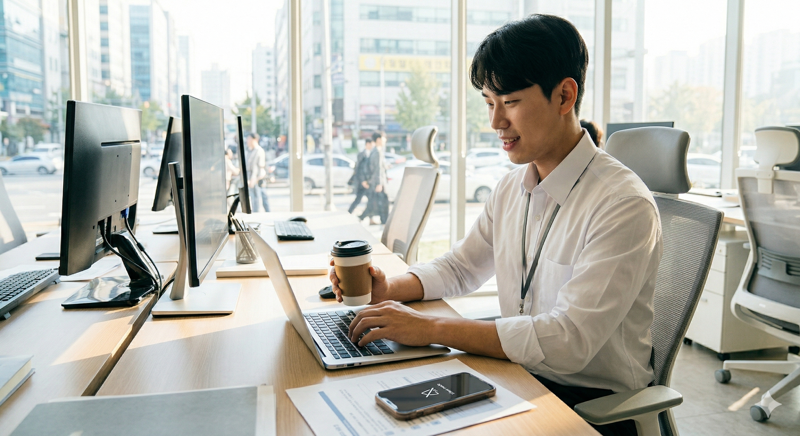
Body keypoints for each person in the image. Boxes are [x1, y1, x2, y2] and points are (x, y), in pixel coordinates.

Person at [329, 14, 661, 436]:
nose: (495, 123)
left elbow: (568, 341)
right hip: (514, 376)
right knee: (372, 411)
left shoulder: (622, 204)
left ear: (564, 95)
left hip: (590, 407)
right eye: (489, 103)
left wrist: (432, 328)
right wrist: (389, 289)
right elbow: (461, 267)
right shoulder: (511, 188)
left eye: (511, 102)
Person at [359, 131, 388, 225]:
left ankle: (362, 217)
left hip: (374, 182)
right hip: (377, 183)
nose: (385, 140)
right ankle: (384, 222)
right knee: (382, 203)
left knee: (374, 203)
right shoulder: (377, 152)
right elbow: (377, 169)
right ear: (379, 139)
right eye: (384, 138)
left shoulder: (374, 151)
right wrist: (379, 183)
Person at [348, 137, 375, 214]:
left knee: (371, 200)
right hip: (362, 182)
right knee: (359, 199)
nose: (372, 147)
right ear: (367, 144)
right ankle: (350, 212)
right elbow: (359, 168)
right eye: (371, 145)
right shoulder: (361, 154)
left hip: (368, 182)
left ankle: (368, 217)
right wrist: (363, 181)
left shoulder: (371, 154)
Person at [245, 132, 270, 212]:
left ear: (255, 140)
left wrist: (254, 179)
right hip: (252, 178)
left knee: (260, 198)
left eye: (249, 139)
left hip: (258, 178)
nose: (247, 141)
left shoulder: (259, 151)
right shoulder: (250, 151)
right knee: (256, 198)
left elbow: (259, 167)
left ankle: (266, 214)